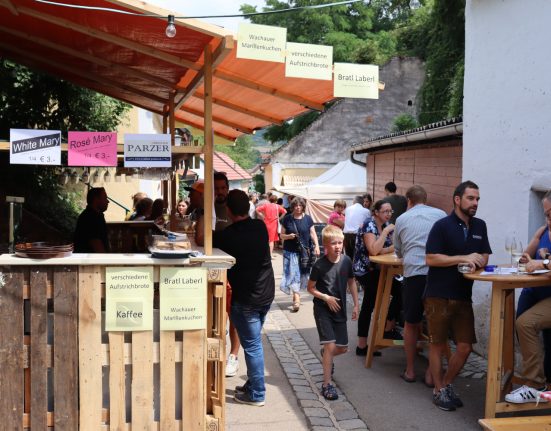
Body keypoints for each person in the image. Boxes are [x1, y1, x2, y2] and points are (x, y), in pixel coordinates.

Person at [424, 180, 491, 411]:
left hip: (463, 295)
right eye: (471, 198)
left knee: (464, 347)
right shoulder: (441, 226)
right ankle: (439, 390)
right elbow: (431, 258)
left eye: (477, 199)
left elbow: (484, 255)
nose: (475, 203)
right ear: (457, 199)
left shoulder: (480, 226)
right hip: (438, 294)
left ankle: (445, 385)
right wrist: (462, 258)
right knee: (437, 344)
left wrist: (479, 260)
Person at [213, 189, 275, 407]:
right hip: (266, 295)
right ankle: (252, 385)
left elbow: (203, 238)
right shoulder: (259, 227)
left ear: (228, 210)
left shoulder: (229, 235)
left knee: (253, 346)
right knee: (254, 344)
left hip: (247, 299)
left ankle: (257, 394)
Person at [393, 185, 446, 384]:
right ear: (426, 199)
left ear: (409, 201)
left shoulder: (402, 219)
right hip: (437, 274)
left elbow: (398, 250)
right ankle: (432, 374)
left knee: (411, 322)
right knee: (435, 324)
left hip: (414, 272)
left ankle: (410, 370)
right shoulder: (441, 214)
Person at [504, 191, 551, 403]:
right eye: (546, 214)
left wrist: (544, 262)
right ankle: (535, 381)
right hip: (535, 291)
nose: (548, 219)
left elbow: (544, 264)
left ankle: (535, 385)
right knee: (521, 326)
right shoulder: (543, 230)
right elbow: (525, 257)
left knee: (525, 324)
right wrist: (527, 258)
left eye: (550, 214)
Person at [307, 225, 359, 400]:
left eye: (340, 243)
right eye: (334, 243)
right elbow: (310, 288)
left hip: (340, 310)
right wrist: (325, 297)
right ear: (325, 246)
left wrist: (356, 305)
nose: (338, 246)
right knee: (330, 345)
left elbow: (352, 282)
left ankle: (326, 356)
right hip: (323, 309)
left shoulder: (346, 261)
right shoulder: (319, 265)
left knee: (342, 348)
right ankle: (326, 384)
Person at [353, 200, 401, 356]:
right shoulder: (369, 225)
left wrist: (385, 248)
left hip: (379, 269)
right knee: (370, 303)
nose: (388, 214)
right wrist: (386, 233)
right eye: (385, 211)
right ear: (376, 213)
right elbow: (373, 250)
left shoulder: (387, 225)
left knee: (400, 290)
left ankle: (383, 330)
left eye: (390, 211)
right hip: (365, 270)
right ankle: (383, 331)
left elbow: (393, 248)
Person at [280, 197, 320, 312]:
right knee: (294, 274)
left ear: (303, 207)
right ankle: (296, 299)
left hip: (305, 252)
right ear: (293, 207)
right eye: (296, 205)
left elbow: (313, 233)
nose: (298, 207)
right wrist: (288, 236)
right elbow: (281, 235)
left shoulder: (308, 219)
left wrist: (317, 245)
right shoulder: (287, 219)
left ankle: (296, 294)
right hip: (290, 251)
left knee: (303, 274)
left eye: (300, 205)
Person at [74, 187, 109, 253]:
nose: (108, 201)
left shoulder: (95, 216)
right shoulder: (90, 218)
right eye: (105, 198)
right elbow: (97, 247)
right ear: (96, 199)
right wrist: (107, 262)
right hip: (89, 261)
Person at [343, 196, 371, 261]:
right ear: (362, 203)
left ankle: (348, 270)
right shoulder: (366, 211)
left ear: (354, 202)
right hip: (358, 236)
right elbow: (369, 223)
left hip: (346, 235)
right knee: (358, 257)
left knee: (348, 257)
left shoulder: (347, 209)